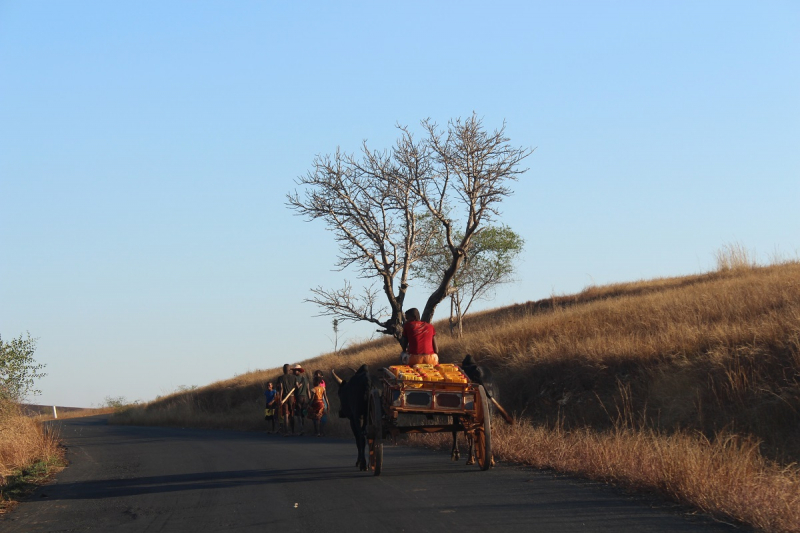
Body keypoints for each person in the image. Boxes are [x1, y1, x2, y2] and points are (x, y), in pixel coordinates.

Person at [276, 364, 297, 436]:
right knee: (292, 414)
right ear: (289, 370)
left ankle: (286, 431)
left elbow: (281, 389)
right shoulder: (294, 377)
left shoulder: (281, 378)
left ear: (283, 370)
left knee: (286, 415)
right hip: (292, 397)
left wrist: (280, 399)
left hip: (284, 397)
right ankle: (293, 431)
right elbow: (297, 386)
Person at [292, 364, 312, 434]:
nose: (293, 372)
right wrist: (310, 399)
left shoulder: (295, 378)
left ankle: (301, 429)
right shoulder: (305, 379)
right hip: (305, 397)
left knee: (299, 413)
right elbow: (308, 389)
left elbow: (297, 387)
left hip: (299, 397)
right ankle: (303, 428)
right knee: (303, 413)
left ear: (298, 371)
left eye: (294, 370)